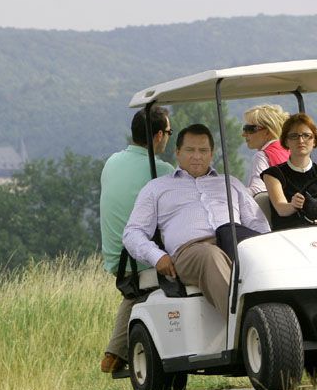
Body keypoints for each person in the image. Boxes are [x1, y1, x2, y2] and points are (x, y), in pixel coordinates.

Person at [123, 124, 270, 316]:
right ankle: (248, 326)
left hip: (234, 242)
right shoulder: (156, 188)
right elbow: (132, 232)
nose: (197, 156)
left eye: (203, 150)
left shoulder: (230, 183)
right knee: (210, 256)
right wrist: (156, 256)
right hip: (191, 252)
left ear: (211, 153)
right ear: (177, 152)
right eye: (190, 150)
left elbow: (257, 223)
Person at [99, 105, 175, 374]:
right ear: (157, 136)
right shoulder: (163, 170)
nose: (168, 137)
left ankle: (117, 353)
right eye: (168, 132)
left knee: (136, 296)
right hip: (139, 258)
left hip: (117, 257)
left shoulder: (112, 162)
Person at [261, 113, 317, 231]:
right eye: (294, 136)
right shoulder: (272, 174)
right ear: (286, 141)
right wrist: (292, 205)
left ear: (314, 141)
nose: (301, 140)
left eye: (306, 135)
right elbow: (281, 209)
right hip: (289, 234)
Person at [241, 104, 290, 195]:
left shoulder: (262, 156)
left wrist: (233, 193)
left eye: (249, 129)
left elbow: (258, 191)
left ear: (267, 132)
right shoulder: (289, 151)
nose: (244, 134)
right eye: (244, 129)